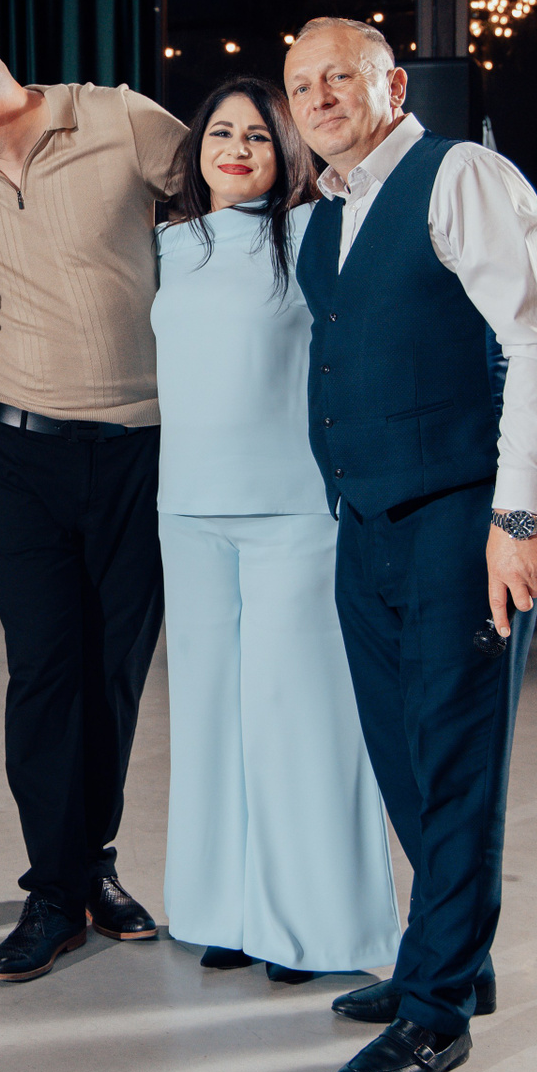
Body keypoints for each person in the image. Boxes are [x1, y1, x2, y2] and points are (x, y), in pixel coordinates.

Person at [284, 18, 537, 1072]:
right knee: (402, 755)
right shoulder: (326, 211)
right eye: (300, 85)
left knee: (454, 762)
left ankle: (436, 1010)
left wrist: (517, 518)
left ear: (393, 84)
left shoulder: (462, 178)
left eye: (340, 77)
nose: (318, 98)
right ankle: (450, 957)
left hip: (460, 518)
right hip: (365, 518)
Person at [0, 20, 186, 983]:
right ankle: (53, 892)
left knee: (114, 675)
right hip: (22, 458)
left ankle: (92, 867)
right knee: (45, 675)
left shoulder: (121, 122)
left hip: (144, 451)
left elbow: (234, 194)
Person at [151, 76, 399, 986]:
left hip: (294, 510)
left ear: (286, 152)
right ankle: (223, 910)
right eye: (221, 133)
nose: (237, 149)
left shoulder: (316, 233)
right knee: (211, 721)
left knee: (298, 720)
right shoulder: (170, 243)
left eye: (258, 135)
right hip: (188, 510)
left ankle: (313, 928)